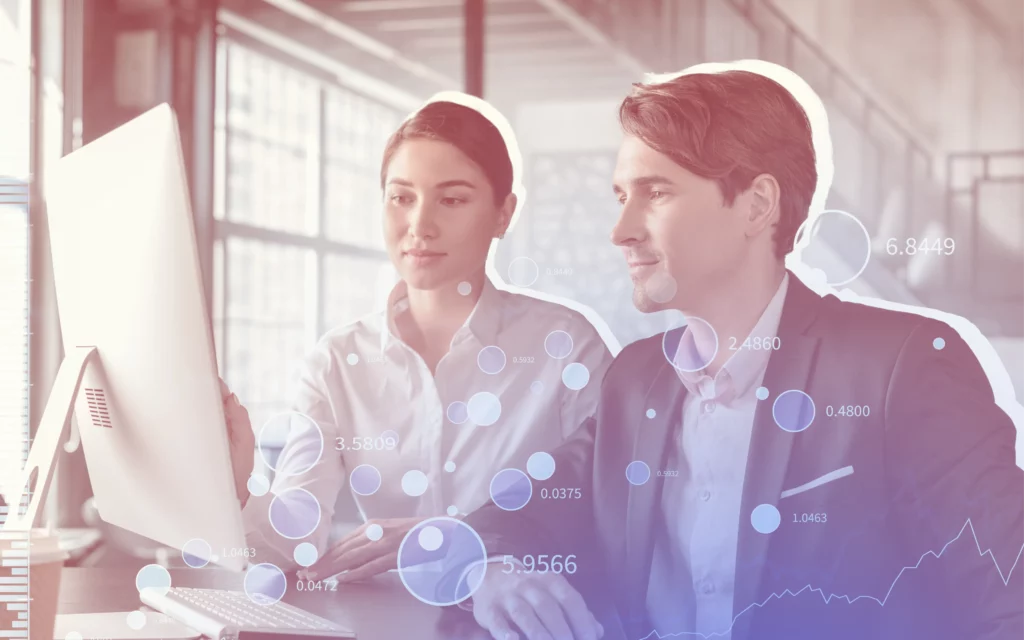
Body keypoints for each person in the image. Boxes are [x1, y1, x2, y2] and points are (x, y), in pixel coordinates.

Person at [459, 66, 1024, 640]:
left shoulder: (903, 369)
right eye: (622, 197)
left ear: (757, 206)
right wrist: (495, 573)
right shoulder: (636, 380)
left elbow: (1011, 594)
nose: (620, 230)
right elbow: (513, 516)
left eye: (656, 193)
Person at [221, 96, 615, 584]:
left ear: (503, 214)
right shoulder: (338, 362)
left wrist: (466, 545)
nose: (419, 226)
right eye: (401, 197)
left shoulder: (567, 347)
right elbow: (289, 546)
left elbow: (608, 524)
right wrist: (237, 485)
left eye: (451, 199)